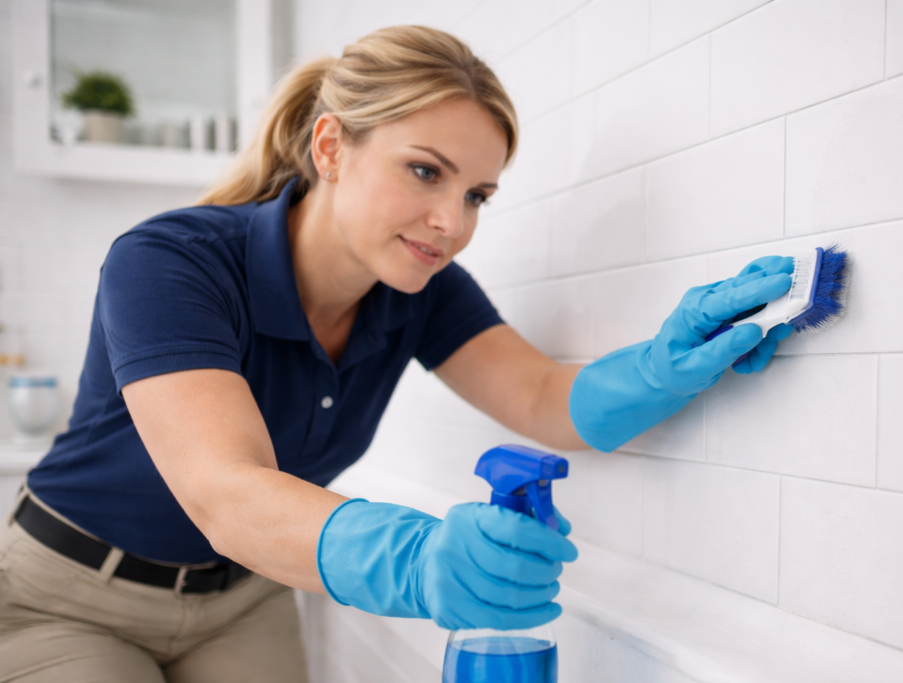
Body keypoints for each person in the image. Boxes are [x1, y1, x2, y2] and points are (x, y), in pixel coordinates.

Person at [0, 26, 793, 683]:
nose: (453, 223)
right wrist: (418, 559)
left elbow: (544, 397)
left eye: (476, 195)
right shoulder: (171, 262)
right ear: (330, 146)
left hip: (243, 595)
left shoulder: (421, 290)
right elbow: (224, 493)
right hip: (71, 594)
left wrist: (662, 367)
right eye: (424, 171)